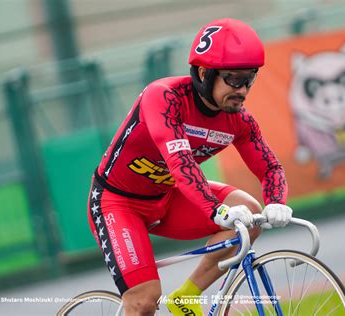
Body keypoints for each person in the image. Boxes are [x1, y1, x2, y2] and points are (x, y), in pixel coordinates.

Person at [87, 18, 292, 316]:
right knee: (144, 300)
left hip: (167, 197)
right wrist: (215, 210)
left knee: (250, 214)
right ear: (204, 73)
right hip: (118, 203)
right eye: (234, 79)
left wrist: (277, 202)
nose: (243, 89)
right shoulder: (165, 97)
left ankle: (187, 296)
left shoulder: (239, 120)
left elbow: (270, 168)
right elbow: (180, 163)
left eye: (250, 78)